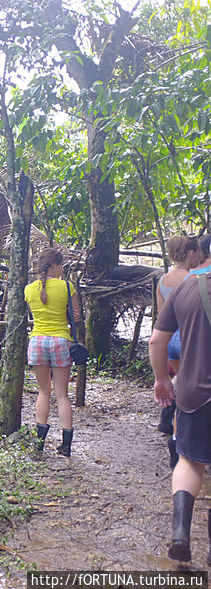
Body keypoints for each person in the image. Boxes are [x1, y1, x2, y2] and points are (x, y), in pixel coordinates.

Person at [150, 267, 211, 564]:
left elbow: (156, 342)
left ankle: (180, 534)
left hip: (193, 393)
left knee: (190, 461)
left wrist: (162, 379)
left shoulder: (187, 288)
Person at [24, 248, 80, 457]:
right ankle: (66, 446)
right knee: (62, 395)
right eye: (61, 266)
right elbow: (76, 316)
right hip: (60, 341)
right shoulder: (67, 286)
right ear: (55, 265)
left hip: (37, 341)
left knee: (43, 392)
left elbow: (35, 314)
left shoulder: (29, 289)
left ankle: (39, 442)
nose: (61, 269)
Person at [155, 236, 201, 459]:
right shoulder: (193, 279)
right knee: (191, 391)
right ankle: (184, 443)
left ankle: (174, 440)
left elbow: (162, 316)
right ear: (189, 253)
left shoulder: (163, 280)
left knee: (182, 386)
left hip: (170, 341)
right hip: (189, 339)